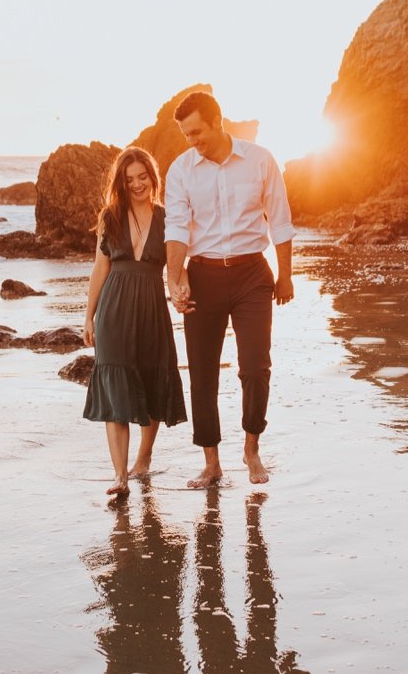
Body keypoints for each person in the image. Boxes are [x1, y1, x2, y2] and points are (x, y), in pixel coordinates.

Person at [164, 91, 294, 488]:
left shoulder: (260, 160)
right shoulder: (181, 170)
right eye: (186, 135)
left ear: (218, 121)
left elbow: (281, 220)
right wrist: (175, 277)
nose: (193, 141)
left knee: (255, 367)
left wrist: (285, 274)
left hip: (252, 273)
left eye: (197, 132)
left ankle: (252, 448)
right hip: (203, 275)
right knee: (202, 375)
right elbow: (176, 227)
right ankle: (211, 462)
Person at [83, 146, 189, 497]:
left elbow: (179, 263)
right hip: (113, 310)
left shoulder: (168, 217)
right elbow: (101, 268)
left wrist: (180, 290)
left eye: (143, 176)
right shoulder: (110, 216)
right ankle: (120, 476)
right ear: (121, 183)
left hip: (151, 310)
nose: (138, 184)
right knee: (115, 391)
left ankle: (143, 456)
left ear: (153, 177)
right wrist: (89, 315)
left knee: (153, 380)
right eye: (130, 180)